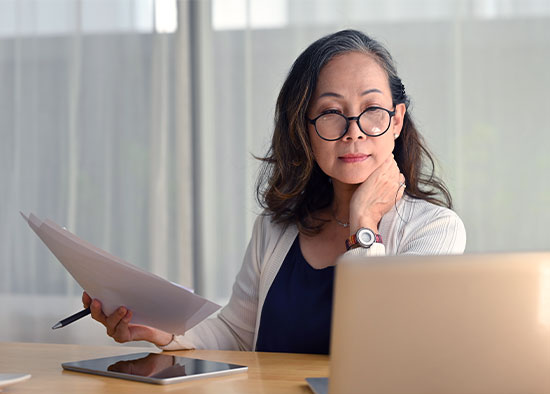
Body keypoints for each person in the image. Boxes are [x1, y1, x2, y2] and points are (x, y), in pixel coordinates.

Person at [83, 29, 466, 354]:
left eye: (372, 110)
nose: (354, 130)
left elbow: (384, 350)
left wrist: (363, 225)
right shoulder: (277, 228)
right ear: (305, 129)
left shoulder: (435, 231)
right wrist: (165, 334)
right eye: (332, 112)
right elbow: (236, 335)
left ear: (396, 122)